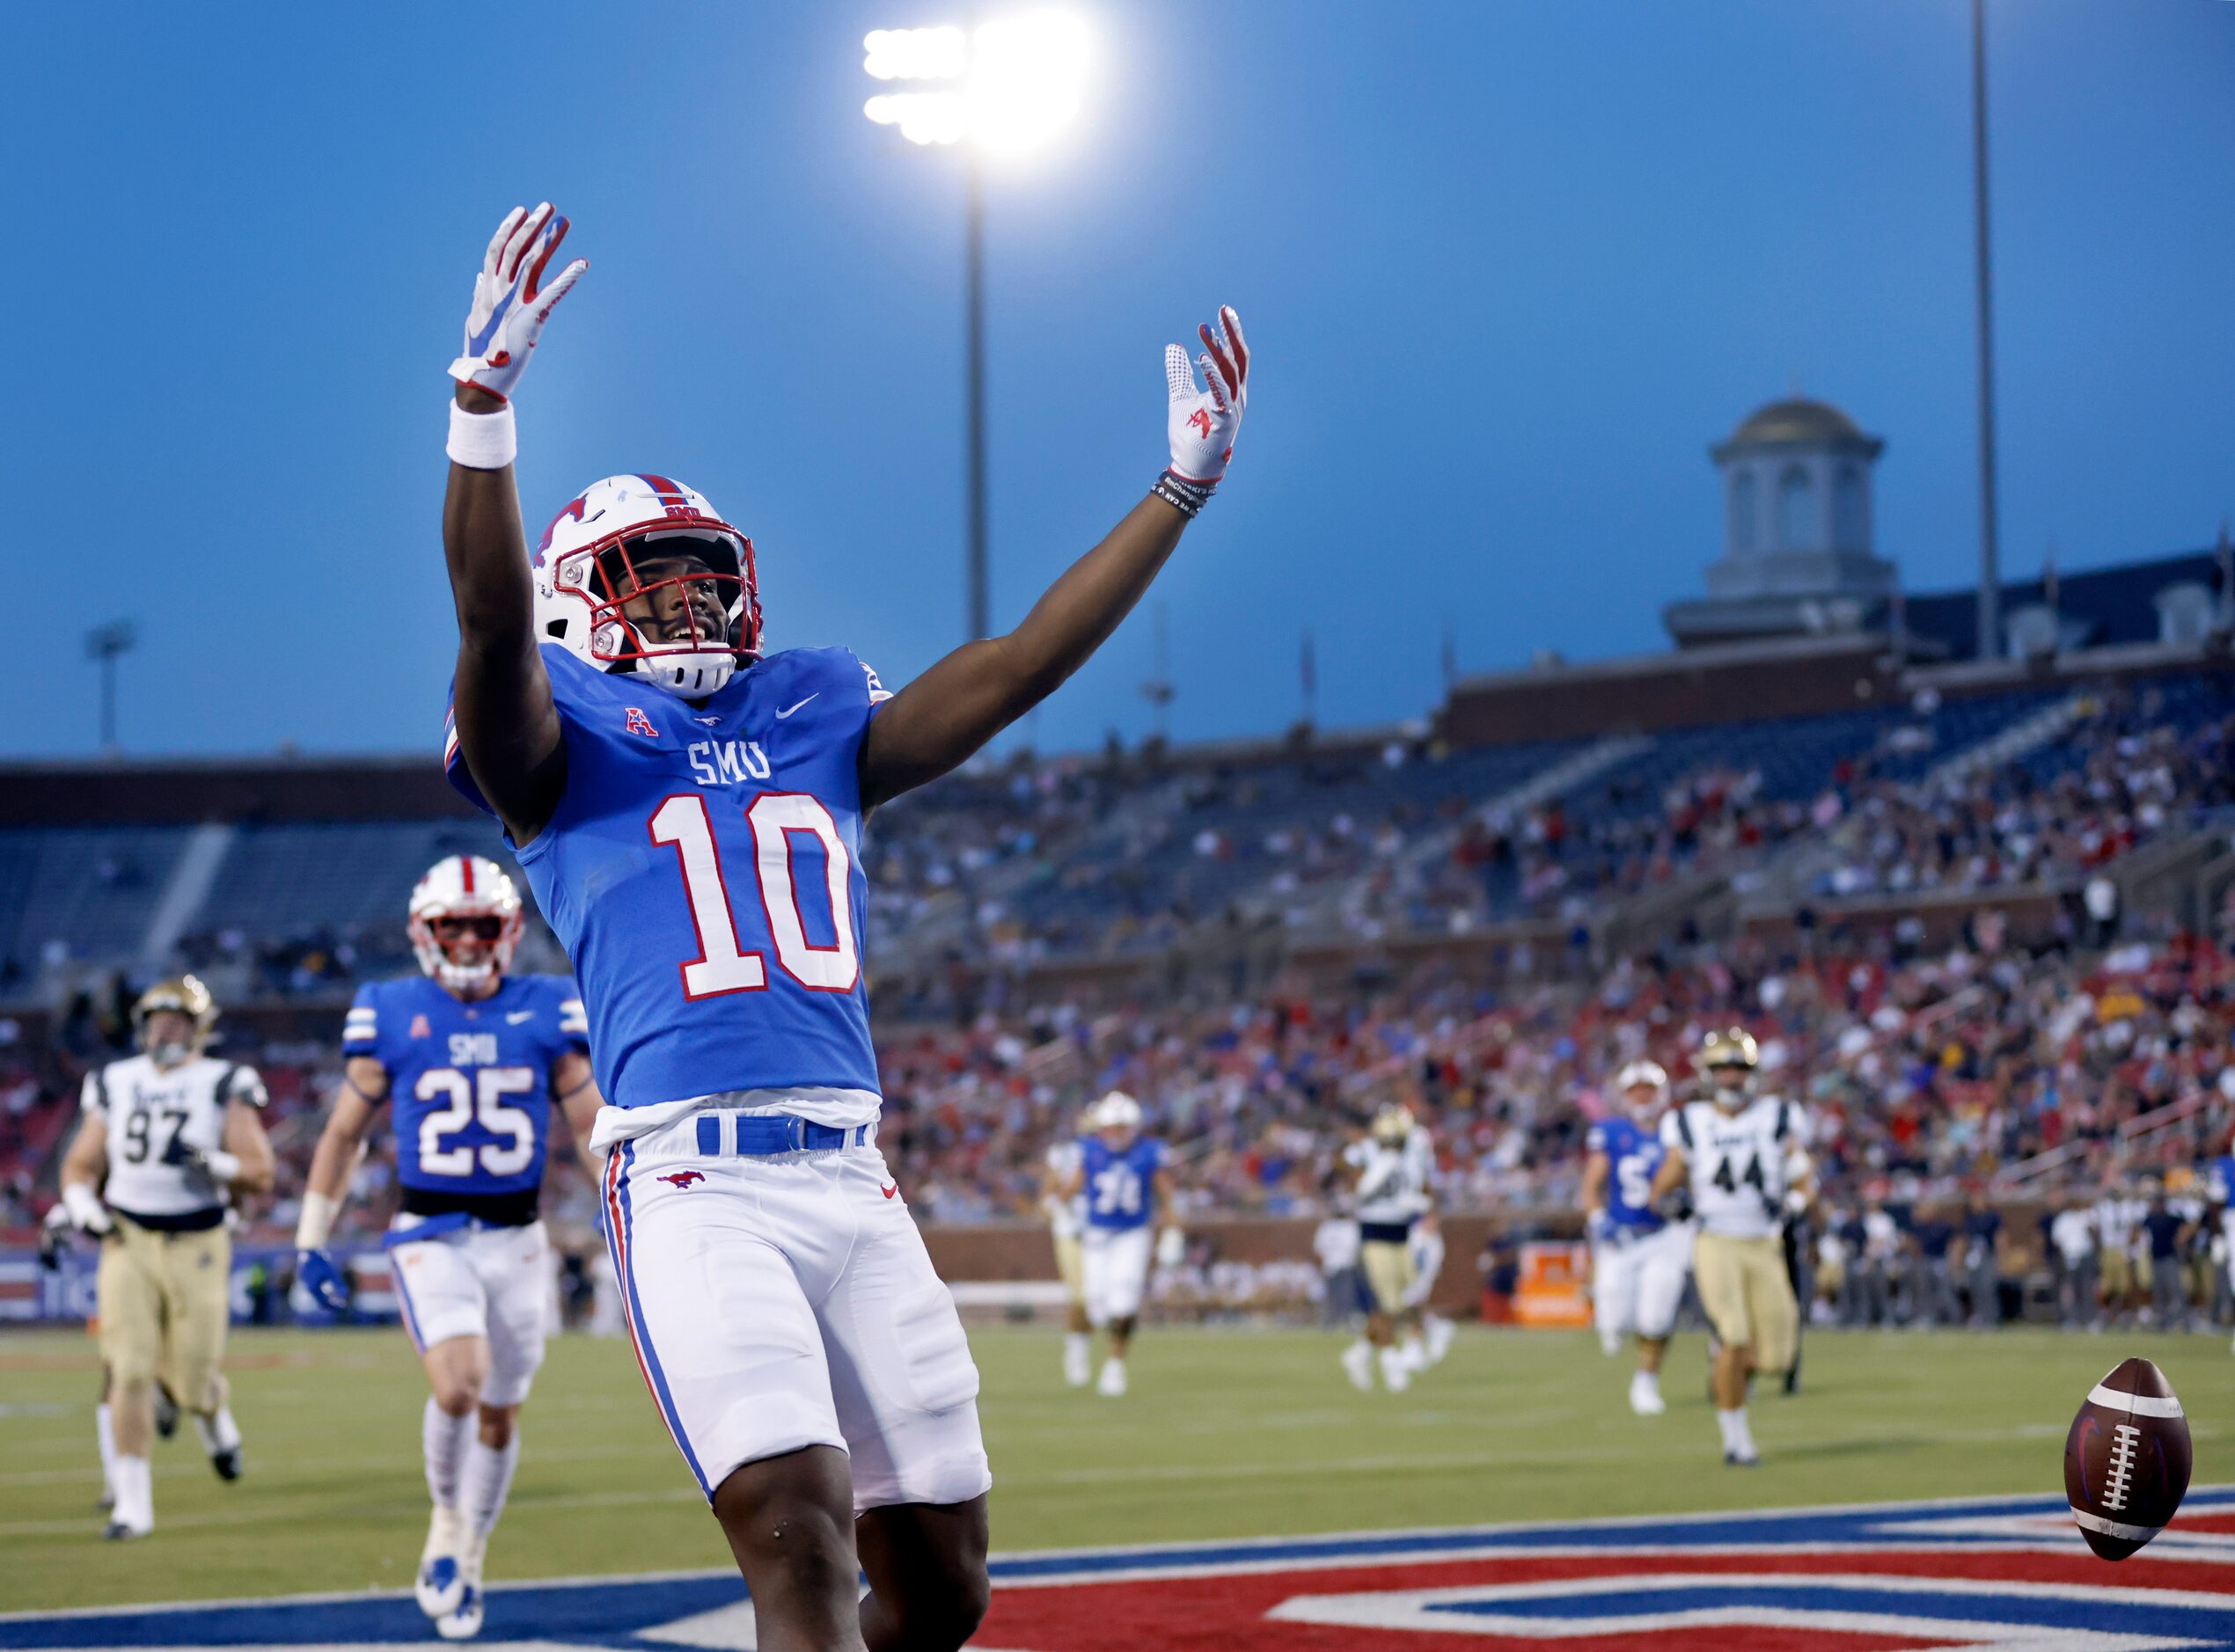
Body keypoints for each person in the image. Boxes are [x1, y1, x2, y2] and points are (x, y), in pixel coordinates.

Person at [434, 201, 1248, 1651]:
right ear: (583, 605)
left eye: (701, 568)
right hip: (692, 1186)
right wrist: (482, 414)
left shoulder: (810, 707)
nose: (689, 593)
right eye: (649, 574)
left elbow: (1016, 668)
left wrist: (1178, 488)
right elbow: (493, 629)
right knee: (797, 1535)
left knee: (943, 1584)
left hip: (854, 1176)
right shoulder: (554, 748)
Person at [295, 856, 604, 1640]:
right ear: (423, 933)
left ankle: (470, 1550)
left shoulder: (546, 1006)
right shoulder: (391, 1010)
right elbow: (341, 1134)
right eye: (450, 926)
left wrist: (633, 1209)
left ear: (508, 931)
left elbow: (590, 1128)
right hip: (430, 1231)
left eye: (482, 924)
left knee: (500, 1414)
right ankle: (443, 1517)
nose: (466, 940)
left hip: (518, 1238)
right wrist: (310, 1238)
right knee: (461, 1386)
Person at [55, 976, 275, 1539]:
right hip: (128, 1237)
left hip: (199, 1240)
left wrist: (211, 1161)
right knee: (128, 1369)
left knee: (193, 1380)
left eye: (175, 1020)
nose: (163, 1030)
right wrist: (80, 1204)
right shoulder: (113, 1080)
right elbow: (81, 1164)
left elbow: (260, 1173)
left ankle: (213, 1413)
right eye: (155, 1020)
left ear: (200, 1027)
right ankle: (133, 1505)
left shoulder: (224, 1080)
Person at [1649, 1027, 1812, 1467]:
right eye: (1722, 1069)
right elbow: (1661, 1185)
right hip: (1716, 1238)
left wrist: (1793, 1203)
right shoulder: (1689, 1122)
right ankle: (1736, 1440)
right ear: (1707, 1074)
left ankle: (1724, 1367)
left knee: (1778, 1353)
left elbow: (1804, 1178)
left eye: (1738, 1069)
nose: (1730, 1078)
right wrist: (1671, 1203)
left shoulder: (1778, 1117)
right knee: (1735, 1335)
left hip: (1763, 1240)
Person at [1579, 1061, 1690, 1415]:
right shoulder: (1609, 1131)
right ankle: (1611, 1323)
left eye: (1648, 1089)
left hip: (1663, 1235)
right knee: (1613, 1313)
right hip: (1622, 1237)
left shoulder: (1678, 1129)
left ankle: (1646, 1381)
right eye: (1635, 1090)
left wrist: (1686, 1201)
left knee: (1656, 1314)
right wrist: (1598, 1219)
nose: (1642, 1097)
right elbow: (1591, 1184)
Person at [1059, 1092, 1180, 1397]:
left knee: (1124, 1298)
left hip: (1132, 1234)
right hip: (1097, 1235)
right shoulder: (1089, 1150)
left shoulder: (1149, 1152)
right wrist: (1063, 1209)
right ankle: (1079, 1349)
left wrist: (1173, 1231)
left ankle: (1115, 1366)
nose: (1115, 1133)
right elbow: (1070, 1189)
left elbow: (1166, 1193)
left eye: (1121, 1126)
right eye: (1110, 1127)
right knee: (1095, 1303)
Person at [1340, 1102, 1437, 1393]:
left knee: (1406, 1301)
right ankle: (1390, 1359)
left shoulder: (1415, 1153)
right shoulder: (1365, 1153)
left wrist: (1424, 1208)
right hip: (1374, 1236)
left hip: (1404, 1234)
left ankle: (1360, 1354)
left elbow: (1425, 1189)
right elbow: (1355, 1188)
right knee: (1386, 1304)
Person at [1042, 1134, 1092, 1386]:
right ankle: (1077, 1351)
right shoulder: (1062, 1153)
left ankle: (1082, 1349)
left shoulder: (1107, 1152)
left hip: (1105, 1232)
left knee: (1101, 1297)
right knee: (1081, 1296)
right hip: (1071, 1231)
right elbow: (1050, 1191)